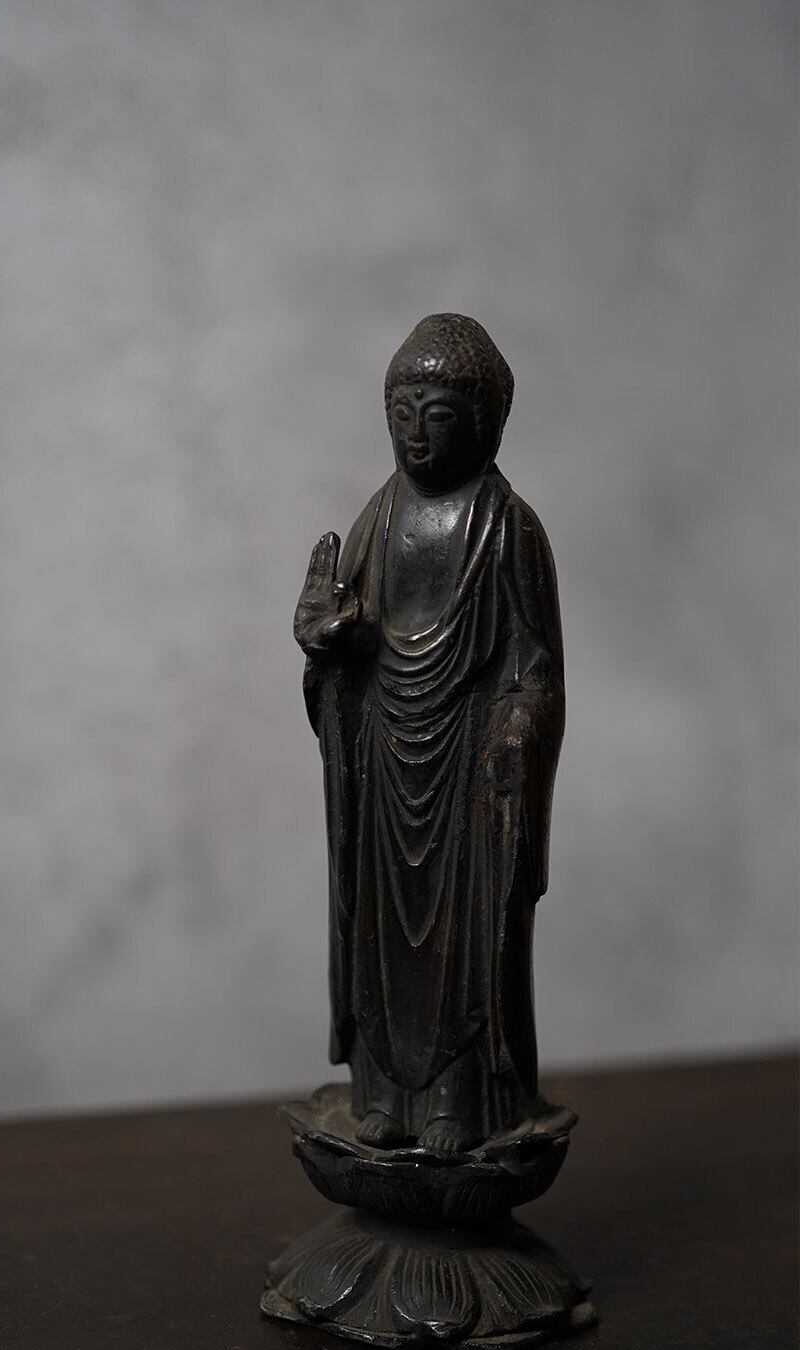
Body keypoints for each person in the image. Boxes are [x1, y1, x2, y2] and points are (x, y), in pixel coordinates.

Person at [294, 314, 565, 1152]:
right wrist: (326, 643)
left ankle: (456, 1099)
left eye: (438, 415)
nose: (416, 434)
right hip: (383, 756)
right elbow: (347, 636)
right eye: (402, 413)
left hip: (466, 769)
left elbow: (535, 668)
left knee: (460, 941)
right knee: (380, 934)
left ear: (482, 423)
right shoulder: (377, 521)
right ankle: (383, 1092)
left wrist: (515, 733)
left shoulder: (507, 528)